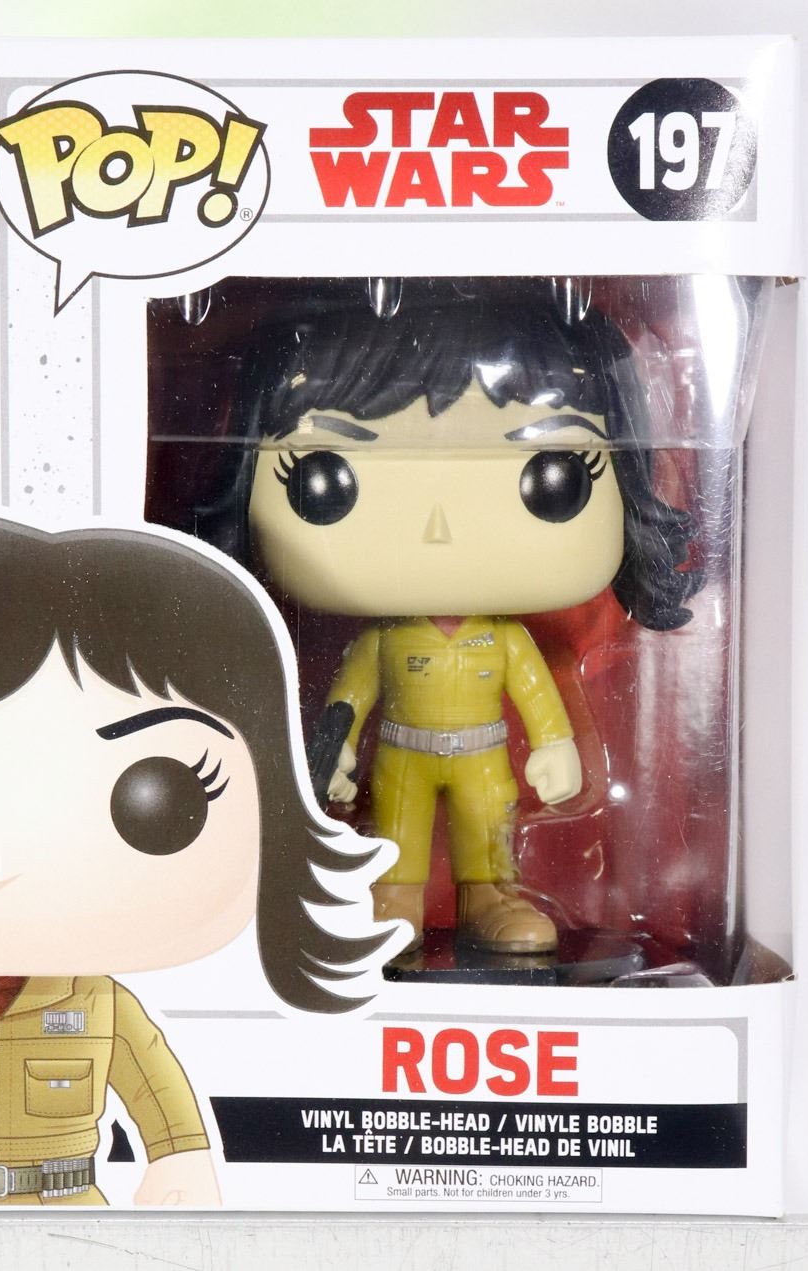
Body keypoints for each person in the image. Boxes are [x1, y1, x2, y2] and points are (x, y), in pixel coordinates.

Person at [198, 278, 702, 954]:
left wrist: (555, 746)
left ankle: (490, 896)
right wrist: (334, 749)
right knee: (396, 830)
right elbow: (350, 698)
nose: (438, 529)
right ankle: (394, 899)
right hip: (401, 753)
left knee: (488, 829)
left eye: (554, 476)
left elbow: (535, 692)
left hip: (481, 754)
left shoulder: (506, 639)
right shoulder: (383, 641)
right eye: (324, 479)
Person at [0, 513, 386, 1205]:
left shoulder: (98, 1004)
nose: (3, 863)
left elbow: (156, 1090)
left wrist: (179, 1160)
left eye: (158, 799)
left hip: (69, 1206)